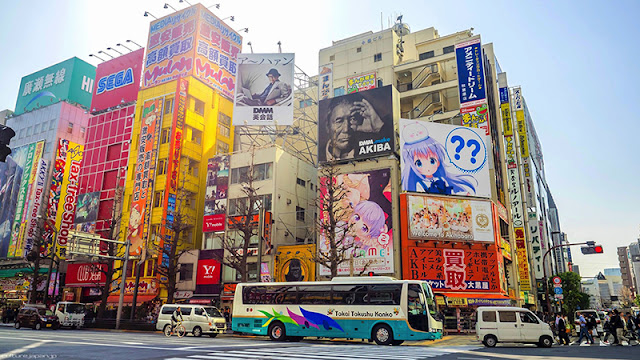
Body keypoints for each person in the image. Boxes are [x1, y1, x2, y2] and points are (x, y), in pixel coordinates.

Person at [401, 122, 477, 195]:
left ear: (438, 161)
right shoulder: (419, 185)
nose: (428, 168)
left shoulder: (442, 179)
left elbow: (451, 194)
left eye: (432, 161)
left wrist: (464, 194)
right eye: (419, 163)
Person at [322, 93, 386, 162]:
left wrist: (379, 127)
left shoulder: (373, 148)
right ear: (327, 126)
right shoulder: (317, 158)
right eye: (339, 121)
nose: (346, 129)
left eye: (353, 119)